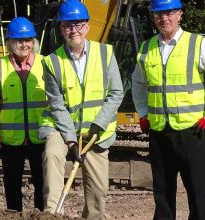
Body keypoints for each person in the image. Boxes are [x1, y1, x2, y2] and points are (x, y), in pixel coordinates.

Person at [131, 0, 205, 219]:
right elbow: (138, 83)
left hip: (192, 131)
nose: (164, 18)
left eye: (169, 13)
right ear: (154, 17)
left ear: (179, 14)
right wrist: (142, 112)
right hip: (159, 131)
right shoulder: (146, 48)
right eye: (159, 14)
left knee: (196, 190)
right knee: (162, 191)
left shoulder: (196, 44)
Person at [38, 0, 124, 219]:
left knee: (98, 191)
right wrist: (70, 140)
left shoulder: (106, 53)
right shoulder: (52, 62)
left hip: (96, 130)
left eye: (78, 24)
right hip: (63, 127)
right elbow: (57, 105)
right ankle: (53, 213)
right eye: (67, 25)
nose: (73, 30)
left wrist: (99, 125)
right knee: (52, 154)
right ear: (61, 29)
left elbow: (116, 93)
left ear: (86, 26)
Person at [0, 17, 46, 212]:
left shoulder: (47, 64)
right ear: (10, 42)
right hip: (11, 140)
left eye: (28, 40)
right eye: (19, 40)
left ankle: (42, 216)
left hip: (41, 137)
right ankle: (13, 215)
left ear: (34, 42)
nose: (24, 44)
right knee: (12, 184)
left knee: (43, 184)